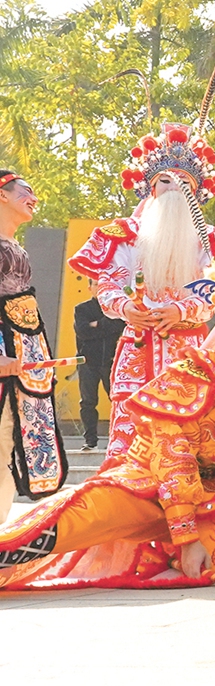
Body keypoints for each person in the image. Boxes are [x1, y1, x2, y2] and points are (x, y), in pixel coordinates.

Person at [0, 253, 215, 590]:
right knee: (57, 529)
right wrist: (186, 538)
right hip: (143, 489)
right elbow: (171, 455)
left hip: (209, 503)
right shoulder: (194, 375)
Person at [68, 122, 215, 470]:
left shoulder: (209, 240)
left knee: (189, 447)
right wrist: (126, 307)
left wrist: (181, 310)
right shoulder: (125, 235)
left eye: (184, 183)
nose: (174, 187)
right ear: (150, 187)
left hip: (191, 351)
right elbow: (108, 285)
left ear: (196, 193)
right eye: (165, 180)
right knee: (128, 448)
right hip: (137, 348)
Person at [0, 170, 67, 523]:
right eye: (26, 191)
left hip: (23, 364)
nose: (34, 198)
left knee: (11, 444)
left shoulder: (15, 248)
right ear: (2, 195)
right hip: (5, 362)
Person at [73, 279, 125, 451]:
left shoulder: (115, 309)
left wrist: (96, 325)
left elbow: (119, 326)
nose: (98, 287)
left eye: (101, 284)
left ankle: (119, 439)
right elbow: (83, 331)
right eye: (95, 284)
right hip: (88, 362)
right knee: (88, 402)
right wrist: (104, 326)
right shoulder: (82, 309)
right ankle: (90, 440)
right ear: (90, 288)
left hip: (111, 361)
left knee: (117, 401)